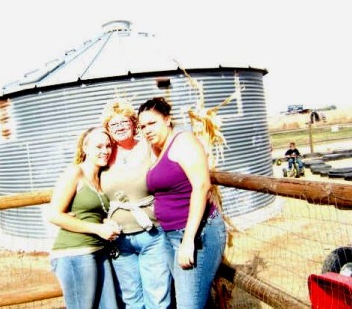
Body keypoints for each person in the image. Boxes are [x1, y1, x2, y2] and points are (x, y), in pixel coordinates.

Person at [138, 97, 227, 309]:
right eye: (142, 126)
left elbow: (201, 186)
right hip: (171, 235)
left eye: (152, 123)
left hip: (197, 234)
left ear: (167, 120)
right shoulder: (159, 150)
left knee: (189, 304)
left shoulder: (184, 141)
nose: (147, 130)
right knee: (196, 300)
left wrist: (188, 240)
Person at [100, 99, 172, 309]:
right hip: (119, 239)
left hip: (152, 235)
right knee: (131, 300)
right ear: (108, 130)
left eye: (124, 122)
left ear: (133, 123)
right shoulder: (104, 154)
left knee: (158, 298)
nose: (120, 127)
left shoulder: (150, 147)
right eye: (113, 125)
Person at [48, 126, 121, 309]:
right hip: (76, 253)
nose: (105, 151)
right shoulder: (75, 173)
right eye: (98, 146)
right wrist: (98, 229)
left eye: (108, 146)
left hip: (99, 250)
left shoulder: (101, 177)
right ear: (85, 148)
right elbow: (54, 215)